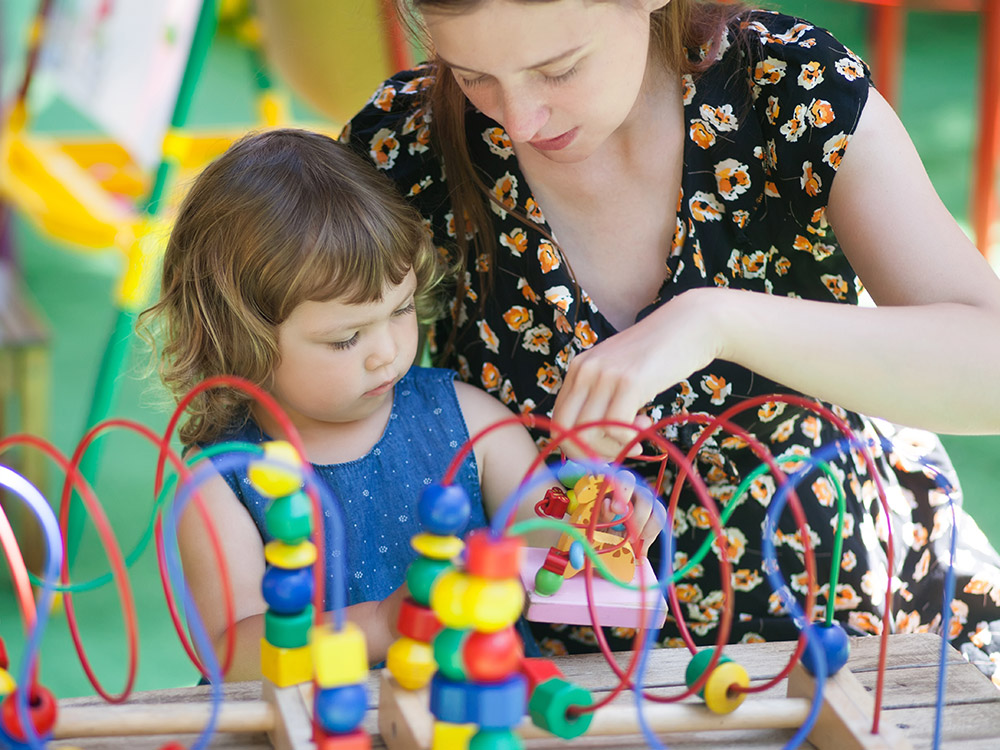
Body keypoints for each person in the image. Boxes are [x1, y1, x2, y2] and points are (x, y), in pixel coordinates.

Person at [343, 0, 1000, 680]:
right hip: (551, 675)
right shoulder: (407, 144)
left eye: (558, 69)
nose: (517, 120)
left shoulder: (785, 88)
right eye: (472, 75)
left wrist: (716, 321)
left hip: (847, 628)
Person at [138, 128, 612, 681]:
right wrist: (384, 625)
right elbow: (232, 654)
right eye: (346, 339)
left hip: (481, 713)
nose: (387, 353)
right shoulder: (221, 479)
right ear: (241, 339)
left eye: (401, 309)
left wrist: (595, 521)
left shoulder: (470, 421)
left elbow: (548, 540)